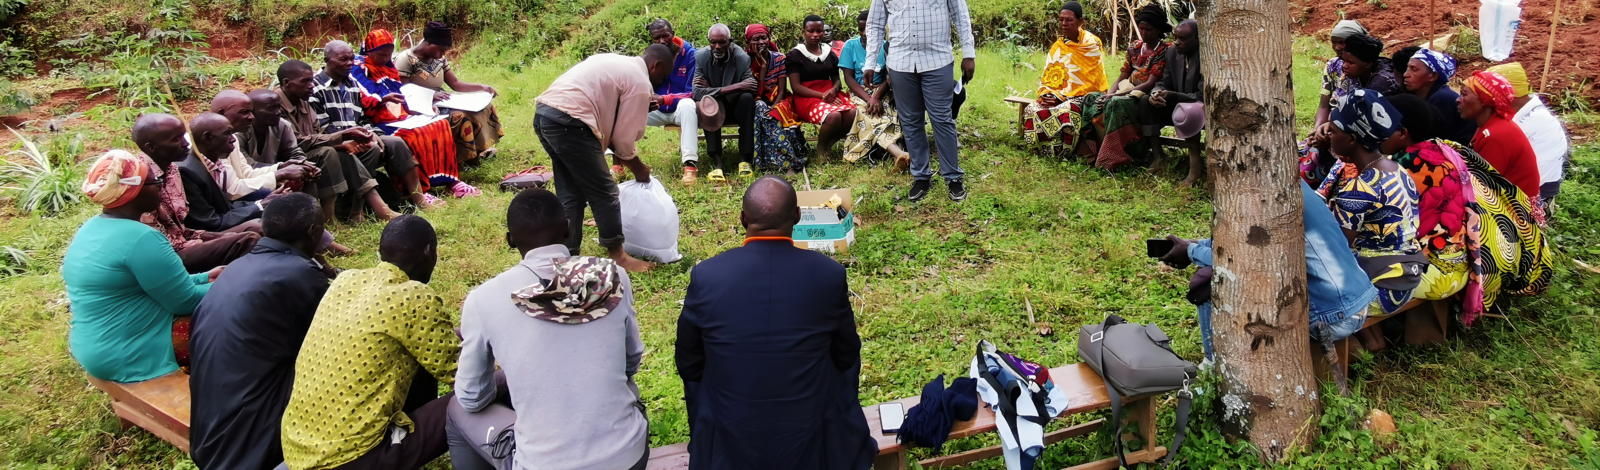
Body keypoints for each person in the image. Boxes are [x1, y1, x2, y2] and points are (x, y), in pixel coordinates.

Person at [676, 176, 877, 469]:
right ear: (797, 216)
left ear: (743, 219)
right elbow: (846, 354)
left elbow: (689, 362)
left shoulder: (707, 276)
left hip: (729, 440)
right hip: (811, 432)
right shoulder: (827, 274)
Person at [446, 189, 649, 470]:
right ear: (567, 228)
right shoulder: (612, 275)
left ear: (509, 240)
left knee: (456, 408)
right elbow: (631, 361)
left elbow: (472, 397)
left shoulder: (484, 299)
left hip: (543, 463)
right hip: (629, 454)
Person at [279, 215, 461, 470]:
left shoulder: (345, 281)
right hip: (352, 458)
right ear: (428, 252)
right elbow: (467, 375)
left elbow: (429, 340)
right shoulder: (415, 297)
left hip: (298, 449)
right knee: (487, 389)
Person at [1157, 179, 1378, 360]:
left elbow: (1239, 261)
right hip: (1357, 299)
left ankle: (1213, 363)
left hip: (1331, 315)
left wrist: (1190, 252)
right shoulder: (1291, 183)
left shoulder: (1262, 198)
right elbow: (1240, 244)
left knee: (1210, 280)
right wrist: (1193, 245)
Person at [189, 192, 330, 470]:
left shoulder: (237, 267)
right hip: (251, 449)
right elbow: (330, 343)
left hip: (208, 437)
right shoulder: (301, 274)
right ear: (313, 232)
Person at [62, 150, 219, 383]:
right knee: (235, 313)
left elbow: (151, 285)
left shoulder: (92, 228)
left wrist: (206, 277)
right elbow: (185, 301)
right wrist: (233, 281)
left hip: (93, 346)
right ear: (133, 190)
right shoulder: (142, 238)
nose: (160, 185)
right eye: (154, 181)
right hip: (131, 351)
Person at [533, 44, 674, 273]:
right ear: (655, 65)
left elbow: (603, 106)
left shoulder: (617, 62)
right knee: (605, 191)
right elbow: (623, 141)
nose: (662, 81)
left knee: (571, 192)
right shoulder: (640, 81)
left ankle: (566, 255)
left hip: (546, 115)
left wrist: (636, 108)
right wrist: (639, 168)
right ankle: (618, 256)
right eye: (663, 75)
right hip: (570, 123)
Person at [1316, 89, 1424, 351]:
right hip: (1408, 275)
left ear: (1352, 139)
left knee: (1308, 286)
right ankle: (1373, 338)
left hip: (1382, 290)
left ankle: (1353, 350)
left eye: (1333, 130)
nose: (1329, 134)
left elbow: (1336, 253)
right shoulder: (1398, 170)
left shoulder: (1360, 189)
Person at [1381, 95, 1479, 346]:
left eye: (1381, 125)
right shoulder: (1441, 151)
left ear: (1402, 133)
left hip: (1432, 275)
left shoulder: (1401, 168)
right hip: (1459, 264)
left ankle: (1369, 341)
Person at [283, 58, 433, 214]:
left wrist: (371, 133)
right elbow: (322, 129)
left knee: (396, 143)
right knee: (356, 151)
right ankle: (364, 208)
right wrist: (345, 139)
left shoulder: (352, 85)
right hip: (332, 141)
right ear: (328, 60)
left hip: (349, 137)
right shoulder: (314, 91)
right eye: (343, 59)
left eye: (351, 58)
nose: (350, 62)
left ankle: (418, 198)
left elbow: (361, 118)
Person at [864, 0, 977, 202]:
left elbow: (960, 15)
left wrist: (968, 54)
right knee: (911, 121)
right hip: (901, 62)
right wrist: (870, 62)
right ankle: (921, 176)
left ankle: (953, 178)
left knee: (942, 119)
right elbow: (875, 24)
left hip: (937, 60)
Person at [345, 34, 481, 198]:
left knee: (440, 125)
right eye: (381, 55)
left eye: (389, 54)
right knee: (414, 135)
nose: (386, 58)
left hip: (400, 117)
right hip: (377, 121)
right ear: (368, 52)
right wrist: (381, 100)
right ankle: (420, 189)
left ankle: (450, 181)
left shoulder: (389, 67)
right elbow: (363, 97)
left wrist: (421, 106)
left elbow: (402, 95)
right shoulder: (359, 69)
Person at [132, 114, 263, 273]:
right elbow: (160, 243)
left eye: (183, 136)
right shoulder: (143, 180)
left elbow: (180, 229)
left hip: (187, 238)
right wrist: (213, 240)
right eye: (177, 140)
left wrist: (213, 238)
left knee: (256, 229)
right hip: (169, 254)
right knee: (248, 240)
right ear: (151, 147)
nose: (187, 143)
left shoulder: (173, 170)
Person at [243, 88, 384, 222]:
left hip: (280, 169)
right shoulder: (240, 133)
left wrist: (302, 164)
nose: (278, 112)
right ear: (252, 111)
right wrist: (284, 169)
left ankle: (321, 218)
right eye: (271, 108)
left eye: (278, 107)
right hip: (251, 180)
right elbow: (248, 168)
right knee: (327, 153)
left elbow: (294, 151)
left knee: (309, 171)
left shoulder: (282, 124)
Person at [395, 21, 504, 166]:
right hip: (421, 106)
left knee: (483, 107)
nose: (443, 54)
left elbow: (455, 84)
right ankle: (467, 158)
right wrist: (430, 95)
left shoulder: (439, 59)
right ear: (428, 43)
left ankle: (478, 150)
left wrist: (482, 87)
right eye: (441, 50)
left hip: (443, 100)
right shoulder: (406, 59)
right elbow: (403, 90)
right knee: (460, 117)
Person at [1088, 2, 1171, 171]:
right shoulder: (1135, 47)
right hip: (1124, 91)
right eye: (1141, 28)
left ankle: (1123, 154)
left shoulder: (1164, 50)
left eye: (1148, 29)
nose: (1143, 32)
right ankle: (1093, 150)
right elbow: (1123, 75)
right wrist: (1108, 94)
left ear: (1158, 30)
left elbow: (1150, 83)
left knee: (1115, 104)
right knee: (1091, 98)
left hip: (1142, 95)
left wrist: (1115, 97)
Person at [1486, 62, 1572, 208]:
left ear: (1510, 95)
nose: (1488, 102)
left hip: (1533, 195)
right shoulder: (1524, 112)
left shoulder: (1534, 121)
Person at [210, 90, 319, 201]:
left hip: (237, 193)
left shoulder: (230, 137)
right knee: (271, 196)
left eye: (251, 112)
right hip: (221, 205)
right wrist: (280, 174)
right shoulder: (213, 141)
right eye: (244, 112)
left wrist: (282, 167)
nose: (251, 117)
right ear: (221, 113)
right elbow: (231, 191)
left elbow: (246, 173)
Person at [1459, 70, 1542, 204]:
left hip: (1514, 214)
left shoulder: (1495, 136)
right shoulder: (1490, 126)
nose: (1458, 100)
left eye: (1464, 94)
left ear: (1484, 99)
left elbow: (1482, 189)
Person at [838, 10, 907, 167]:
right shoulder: (850, 46)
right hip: (859, 92)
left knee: (891, 113)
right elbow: (849, 79)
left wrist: (877, 96)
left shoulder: (887, 47)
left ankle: (900, 153)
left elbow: (890, 77)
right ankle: (899, 153)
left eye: (867, 29)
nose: (864, 33)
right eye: (861, 29)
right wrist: (869, 99)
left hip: (883, 90)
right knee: (869, 115)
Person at [787, 15, 858, 164]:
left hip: (830, 93)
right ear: (803, 32)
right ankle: (820, 148)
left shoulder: (829, 53)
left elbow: (837, 79)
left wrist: (833, 89)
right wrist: (823, 95)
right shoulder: (795, 55)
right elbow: (796, 87)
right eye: (810, 31)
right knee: (834, 116)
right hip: (807, 97)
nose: (815, 35)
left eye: (819, 31)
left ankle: (829, 143)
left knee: (853, 113)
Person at [691, 23, 758, 181]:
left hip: (736, 107)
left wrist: (713, 88)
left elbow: (752, 88)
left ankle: (744, 159)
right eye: (713, 42)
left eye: (722, 42)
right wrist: (737, 86)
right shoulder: (701, 56)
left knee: (747, 98)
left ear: (730, 41)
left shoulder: (741, 57)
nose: (717, 46)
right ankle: (717, 163)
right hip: (715, 107)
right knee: (706, 103)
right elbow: (697, 92)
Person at [179, 112, 267, 233]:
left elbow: (225, 207)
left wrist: (261, 203)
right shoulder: (188, 172)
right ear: (207, 137)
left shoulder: (214, 163)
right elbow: (210, 222)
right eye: (227, 134)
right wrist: (259, 207)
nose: (233, 139)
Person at [640, 19, 704, 182]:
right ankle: (618, 162)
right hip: (656, 109)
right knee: (626, 108)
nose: (661, 41)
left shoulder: (691, 55)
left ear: (673, 34)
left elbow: (693, 92)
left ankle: (690, 165)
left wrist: (666, 99)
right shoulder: (650, 56)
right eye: (656, 38)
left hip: (679, 110)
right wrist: (648, 98)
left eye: (665, 36)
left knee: (688, 105)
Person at [1141, 19, 1203, 185]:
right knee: (1145, 102)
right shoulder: (1172, 53)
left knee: (1188, 111)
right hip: (1175, 104)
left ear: (1197, 39)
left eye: (1183, 39)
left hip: (1199, 108)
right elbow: (1164, 82)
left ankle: (1195, 170)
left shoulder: (1207, 56)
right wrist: (1156, 93)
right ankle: (1158, 156)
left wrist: (1173, 96)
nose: (1177, 43)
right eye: (1176, 38)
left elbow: (1202, 95)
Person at [745, 24, 810, 174]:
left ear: (769, 39)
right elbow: (757, 93)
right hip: (756, 101)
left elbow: (781, 90)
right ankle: (791, 161)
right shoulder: (745, 61)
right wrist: (762, 66)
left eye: (764, 38)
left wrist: (774, 107)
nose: (761, 42)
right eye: (756, 39)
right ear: (749, 42)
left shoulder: (779, 58)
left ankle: (781, 161)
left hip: (779, 99)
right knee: (761, 108)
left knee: (775, 113)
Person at [1396, 47, 1476, 145]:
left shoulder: (1442, 98)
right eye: (1407, 68)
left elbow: (1428, 140)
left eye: (1414, 69)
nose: (1405, 74)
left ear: (1433, 76)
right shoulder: (1427, 95)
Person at [1315, 19, 1367, 129]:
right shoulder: (1333, 65)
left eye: (1341, 42)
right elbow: (1324, 106)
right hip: (1329, 127)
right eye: (1333, 42)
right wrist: (1316, 130)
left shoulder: (1368, 68)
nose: (1336, 47)